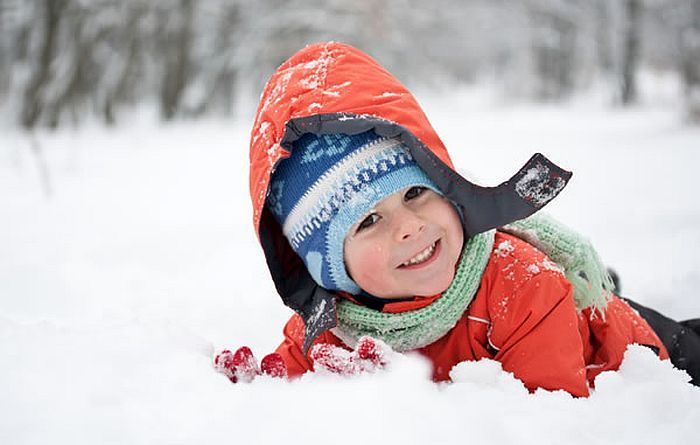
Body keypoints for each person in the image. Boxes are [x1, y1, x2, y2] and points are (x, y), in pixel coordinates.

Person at [215, 42, 700, 395]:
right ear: (327, 269)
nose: (408, 226)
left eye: (415, 193)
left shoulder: (519, 285)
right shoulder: (329, 327)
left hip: (640, 349)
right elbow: (290, 383)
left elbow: (549, 419)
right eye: (367, 222)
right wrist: (260, 390)